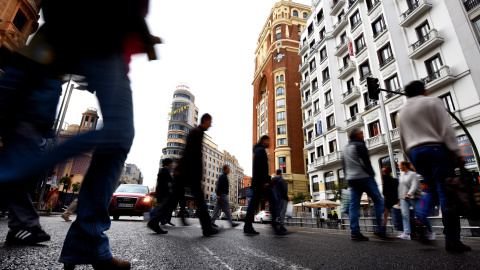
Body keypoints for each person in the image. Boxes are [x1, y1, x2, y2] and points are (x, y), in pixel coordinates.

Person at [0, 1, 160, 268]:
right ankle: (11, 172)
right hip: (103, 37)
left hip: (101, 40)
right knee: (118, 135)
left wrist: (140, 32)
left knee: (116, 137)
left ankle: (88, 241)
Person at [399, 80, 471, 252]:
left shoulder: (402, 111)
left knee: (431, 190)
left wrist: (411, 159)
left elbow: (403, 139)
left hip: (416, 153)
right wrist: (458, 153)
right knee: (446, 194)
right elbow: (446, 129)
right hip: (436, 149)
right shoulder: (433, 102)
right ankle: (452, 240)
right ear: (423, 91)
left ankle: (421, 216)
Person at [176, 113, 221, 236]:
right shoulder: (196, 132)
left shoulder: (197, 132)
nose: (210, 125)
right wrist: (189, 170)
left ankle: (154, 220)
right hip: (190, 171)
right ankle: (207, 228)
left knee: (174, 198)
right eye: (210, 122)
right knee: (200, 200)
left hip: (188, 171)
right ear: (205, 120)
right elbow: (190, 152)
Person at [342, 127, 386, 240]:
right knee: (379, 200)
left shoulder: (345, 149)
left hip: (351, 179)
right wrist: (372, 174)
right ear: (357, 135)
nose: (363, 135)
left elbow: (344, 166)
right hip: (364, 177)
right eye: (362, 133)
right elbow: (365, 161)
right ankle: (380, 229)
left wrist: (348, 178)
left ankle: (355, 232)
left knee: (354, 205)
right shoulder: (360, 145)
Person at [244, 135, 286, 236]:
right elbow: (259, 167)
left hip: (258, 183)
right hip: (262, 183)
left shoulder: (259, 150)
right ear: (263, 141)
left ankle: (247, 226)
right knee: (273, 201)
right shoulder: (261, 151)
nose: (270, 142)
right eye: (268, 140)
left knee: (253, 205)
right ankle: (275, 227)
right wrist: (265, 181)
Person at [397, 161, 435, 240]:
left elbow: (414, 185)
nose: (398, 167)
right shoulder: (402, 175)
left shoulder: (412, 174)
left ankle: (431, 232)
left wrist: (409, 194)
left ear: (404, 166)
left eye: (399, 166)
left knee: (420, 215)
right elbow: (400, 188)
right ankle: (406, 233)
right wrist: (399, 198)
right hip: (403, 198)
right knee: (405, 216)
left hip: (413, 197)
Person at [147, 158, 175, 234]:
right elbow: (165, 182)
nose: (172, 165)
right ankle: (153, 222)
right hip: (164, 193)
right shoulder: (165, 170)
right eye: (171, 163)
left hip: (163, 193)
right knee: (163, 209)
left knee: (164, 209)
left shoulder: (165, 170)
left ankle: (155, 224)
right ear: (168, 163)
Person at [381, 167, 403, 234]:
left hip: (393, 199)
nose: (382, 171)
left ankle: (400, 228)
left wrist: (399, 199)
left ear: (386, 171)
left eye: (383, 170)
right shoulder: (386, 179)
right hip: (389, 199)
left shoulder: (390, 180)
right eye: (382, 170)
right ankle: (383, 228)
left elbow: (397, 190)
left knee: (396, 214)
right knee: (387, 215)